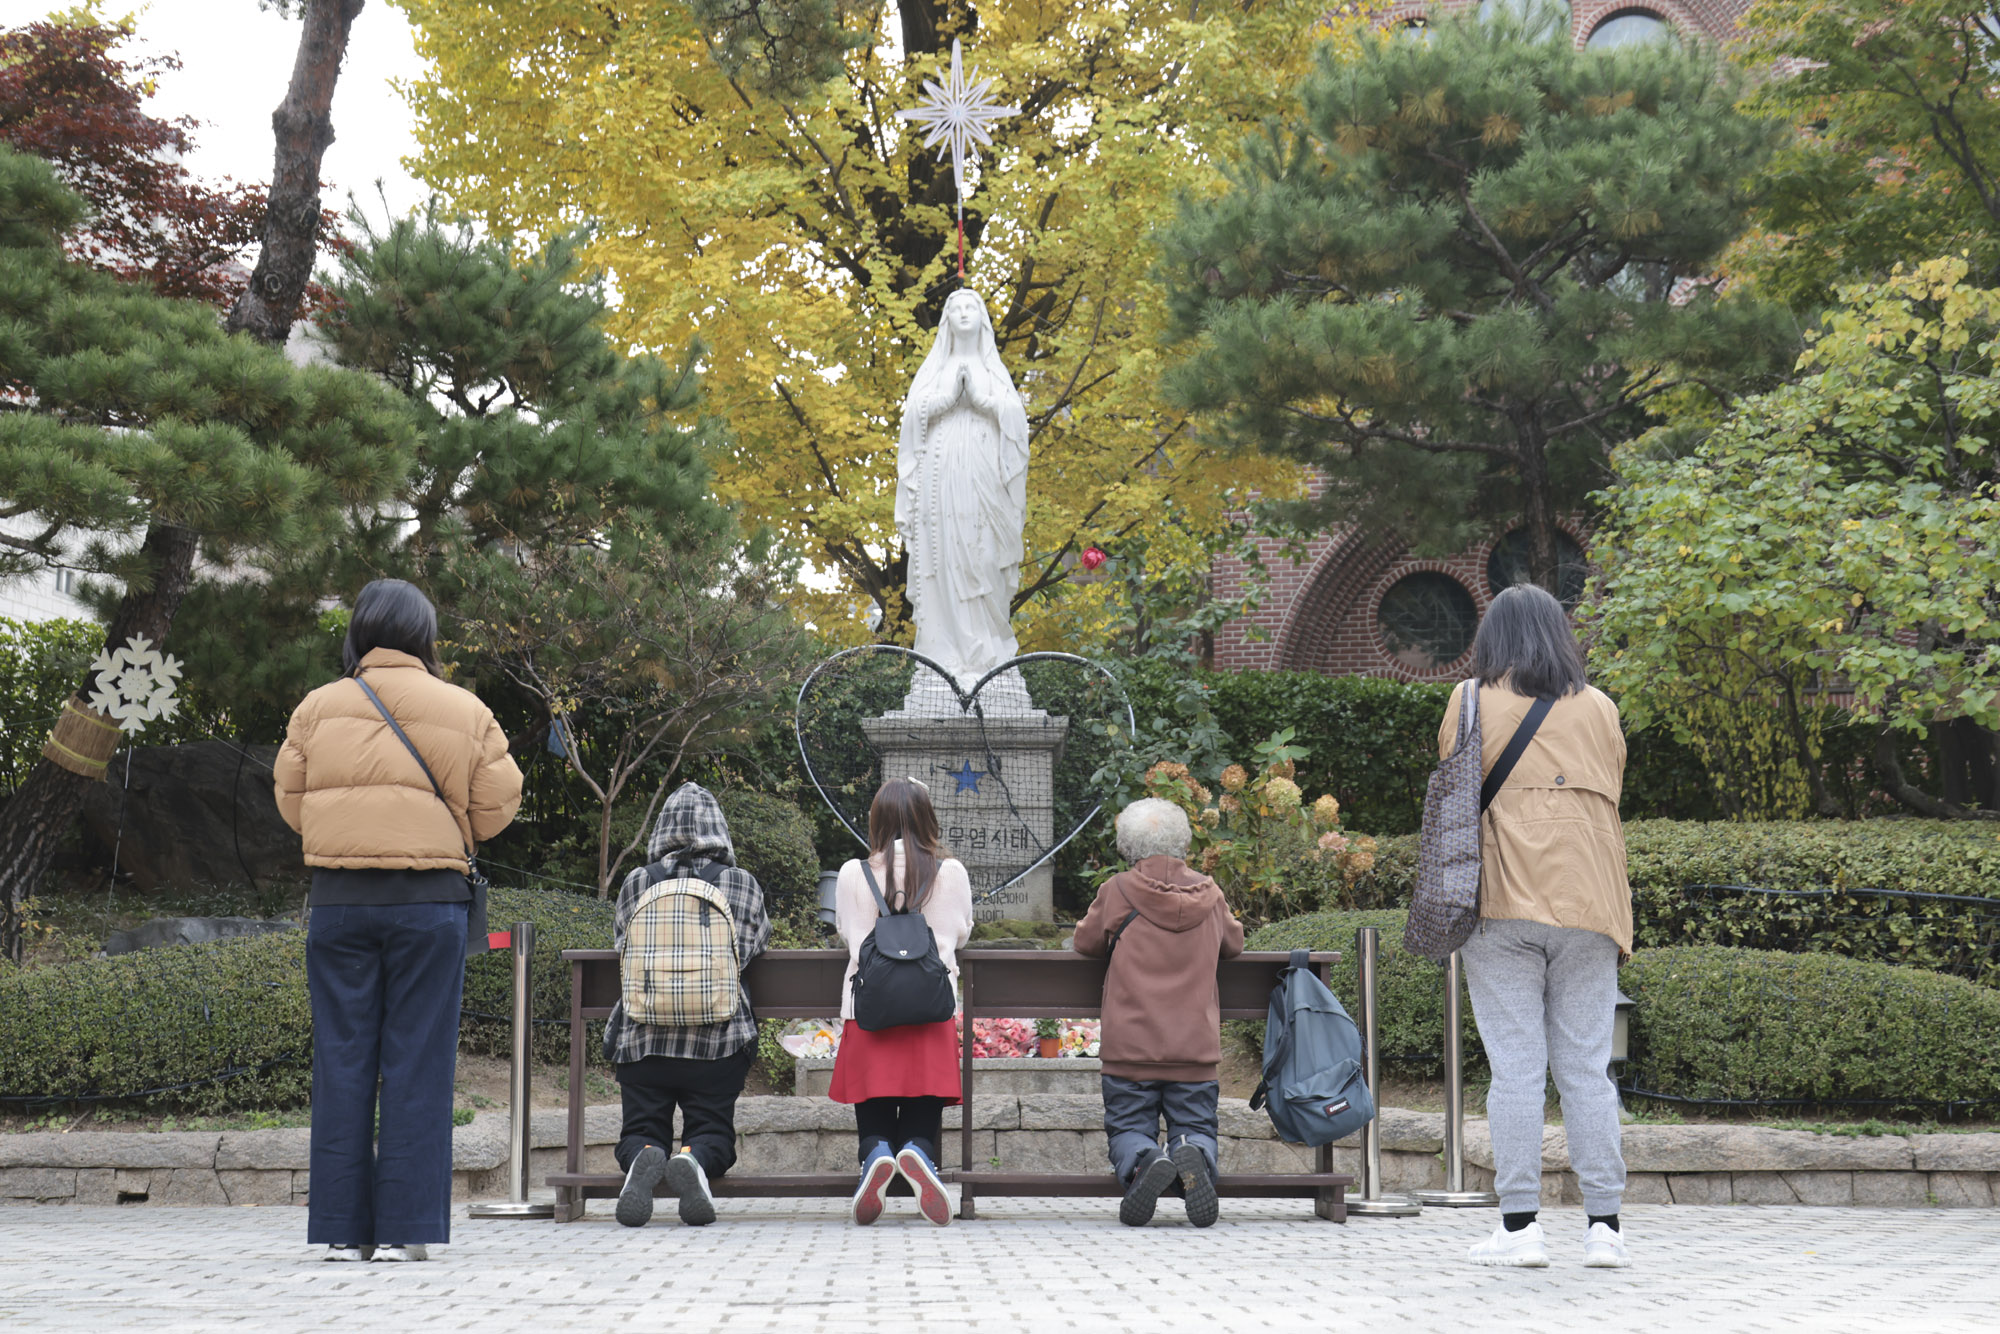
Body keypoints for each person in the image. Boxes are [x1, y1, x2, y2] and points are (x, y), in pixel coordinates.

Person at [275, 579, 522, 1262]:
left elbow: (292, 802)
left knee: (342, 1060)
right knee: (419, 1060)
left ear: (359, 631)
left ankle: (339, 1229)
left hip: (338, 900)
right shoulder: (464, 709)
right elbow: (499, 803)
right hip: (429, 901)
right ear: (425, 636)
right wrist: (453, 829)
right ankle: (408, 1232)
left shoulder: (317, 708)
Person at [1440, 583, 1634, 1270]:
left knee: (1516, 1071)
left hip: (1499, 900)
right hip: (1591, 901)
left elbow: (1451, 784)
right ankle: (1605, 1228)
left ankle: (1519, 1229)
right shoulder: (1601, 707)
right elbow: (1612, 784)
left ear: (1492, 635)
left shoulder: (1468, 700)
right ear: (1560, 634)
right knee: (1588, 1069)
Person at [604, 782, 771, 1228]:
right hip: (718, 1042)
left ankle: (645, 1153)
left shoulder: (638, 882)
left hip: (643, 1040)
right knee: (713, 1130)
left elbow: (623, 947)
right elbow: (749, 950)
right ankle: (694, 1159)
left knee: (639, 1127)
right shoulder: (742, 885)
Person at [1073, 798, 1244, 1228]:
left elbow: (1085, 943)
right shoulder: (1211, 894)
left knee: (1128, 1125)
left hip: (1131, 1047)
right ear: (1183, 841)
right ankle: (1194, 1152)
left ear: (1129, 845)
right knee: (1198, 1124)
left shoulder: (1117, 891)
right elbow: (1235, 945)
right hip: (1194, 1050)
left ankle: (1143, 1159)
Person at [830, 778, 973, 1226]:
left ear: (877, 821)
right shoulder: (950, 873)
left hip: (869, 1008)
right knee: (922, 1108)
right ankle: (917, 1151)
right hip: (930, 1008)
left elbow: (845, 932)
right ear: (928, 819)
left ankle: (875, 1153)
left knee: (872, 1109)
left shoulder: (853, 872)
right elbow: (963, 931)